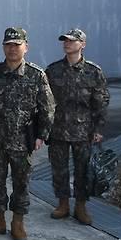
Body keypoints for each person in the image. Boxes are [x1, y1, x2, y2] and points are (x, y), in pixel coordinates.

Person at [0, 27, 55, 240]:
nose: (12, 49)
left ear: (26, 47)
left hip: (23, 141)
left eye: (17, 44)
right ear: (3, 47)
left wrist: (42, 134)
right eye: (8, 45)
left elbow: (48, 108)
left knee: (21, 183)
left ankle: (18, 222)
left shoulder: (36, 75)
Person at [45, 28, 110, 225]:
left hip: (84, 132)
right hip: (58, 130)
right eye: (65, 41)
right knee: (59, 170)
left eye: (72, 41)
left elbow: (101, 102)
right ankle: (63, 204)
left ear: (82, 44)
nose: (67, 43)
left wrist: (99, 129)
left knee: (83, 170)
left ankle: (81, 207)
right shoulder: (53, 70)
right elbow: (45, 102)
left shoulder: (93, 71)